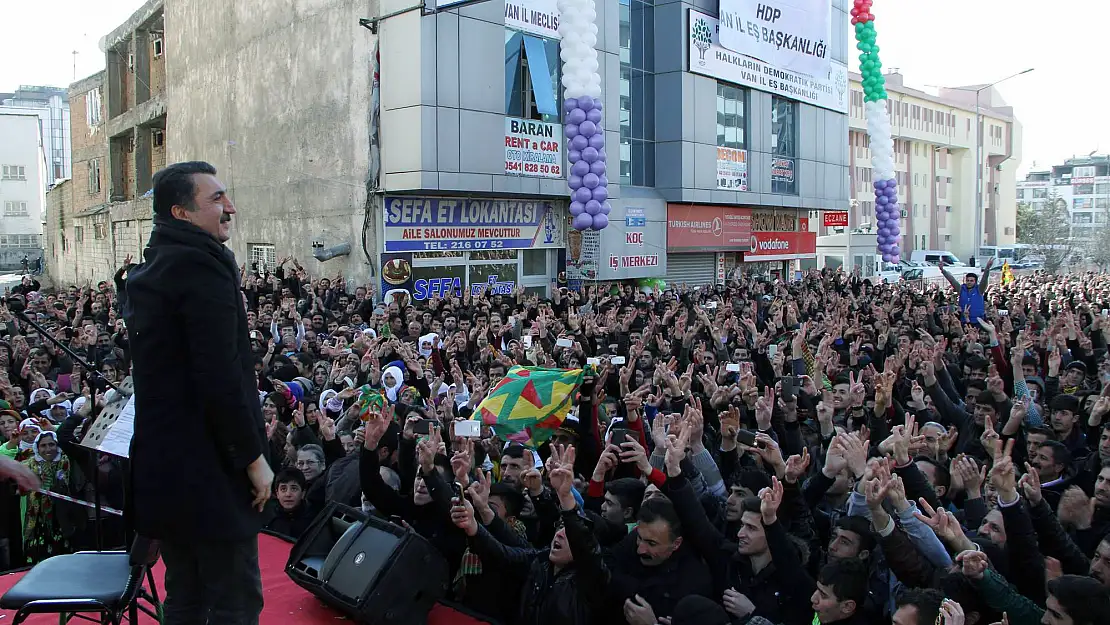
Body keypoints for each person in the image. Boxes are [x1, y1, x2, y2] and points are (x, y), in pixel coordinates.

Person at [122, 161, 271, 624]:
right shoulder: (200, 270)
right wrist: (253, 459)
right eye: (216, 199)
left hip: (170, 475)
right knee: (233, 602)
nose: (230, 208)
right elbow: (220, 378)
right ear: (181, 213)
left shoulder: (156, 267)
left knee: (184, 594)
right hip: (210, 472)